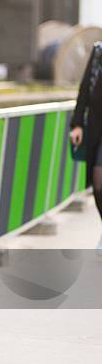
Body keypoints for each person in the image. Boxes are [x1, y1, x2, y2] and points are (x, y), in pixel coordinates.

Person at [69, 41, 102, 250]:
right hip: (98, 130)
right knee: (98, 183)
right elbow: (84, 91)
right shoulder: (99, 53)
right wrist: (78, 123)